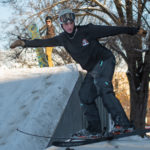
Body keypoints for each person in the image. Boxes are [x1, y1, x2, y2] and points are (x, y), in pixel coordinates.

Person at [10, 9, 146, 137]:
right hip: (93, 69)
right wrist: (24, 43)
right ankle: (94, 130)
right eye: (65, 24)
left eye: (71, 23)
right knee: (84, 95)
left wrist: (134, 30)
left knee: (102, 86)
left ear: (74, 22)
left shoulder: (87, 31)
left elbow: (111, 30)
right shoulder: (62, 39)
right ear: (62, 25)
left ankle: (123, 124)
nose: (69, 26)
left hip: (105, 60)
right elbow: (44, 42)